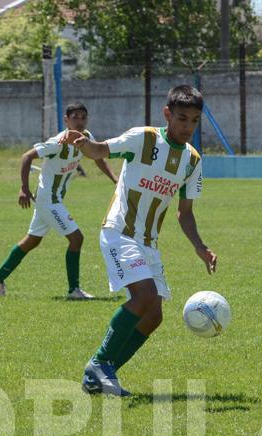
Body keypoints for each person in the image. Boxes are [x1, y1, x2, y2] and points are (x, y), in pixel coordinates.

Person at [60, 86, 217, 396]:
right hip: (119, 231)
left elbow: (185, 213)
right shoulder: (143, 138)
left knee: (154, 315)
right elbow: (100, 150)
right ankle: (99, 363)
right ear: (167, 114)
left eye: (194, 121)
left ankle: (102, 376)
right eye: (182, 118)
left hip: (149, 242)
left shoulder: (192, 160)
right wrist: (82, 142)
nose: (187, 127)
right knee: (143, 296)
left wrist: (201, 247)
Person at [0, 103, 117, 299]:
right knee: (76, 238)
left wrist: (115, 179)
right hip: (49, 200)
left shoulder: (86, 137)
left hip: (54, 199)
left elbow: (98, 157)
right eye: (75, 118)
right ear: (66, 120)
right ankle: (74, 290)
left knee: (32, 241)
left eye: (83, 117)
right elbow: (27, 156)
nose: (79, 122)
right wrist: (23, 188)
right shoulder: (58, 143)